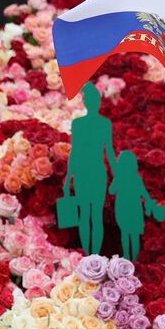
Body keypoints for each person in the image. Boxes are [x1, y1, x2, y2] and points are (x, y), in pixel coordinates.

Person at [61, 83, 118, 255]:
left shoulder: (86, 124)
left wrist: (116, 175)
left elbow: (108, 150)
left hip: (90, 172)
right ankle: (90, 254)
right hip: (90, 172)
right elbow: (76, 151)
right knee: (90, 215)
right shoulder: (90, 124)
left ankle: (93, 254)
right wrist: (69, 176)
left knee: (91, 215)